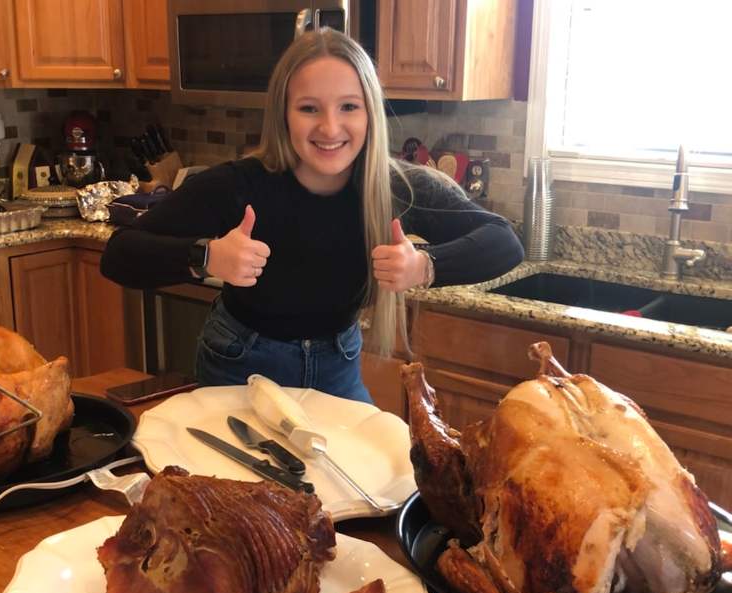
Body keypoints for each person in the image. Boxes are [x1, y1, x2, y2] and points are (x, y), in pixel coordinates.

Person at [101, 28, 523, 403]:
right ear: (283, 114)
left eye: (348, 107)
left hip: (337, 369)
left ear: (370, 113)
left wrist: (425, 266)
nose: (329, 127)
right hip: (239, 368)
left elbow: (503, 241)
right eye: (308, 108)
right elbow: (119, 254)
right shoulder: (237, 184)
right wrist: (205, 257)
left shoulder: (399, 187)